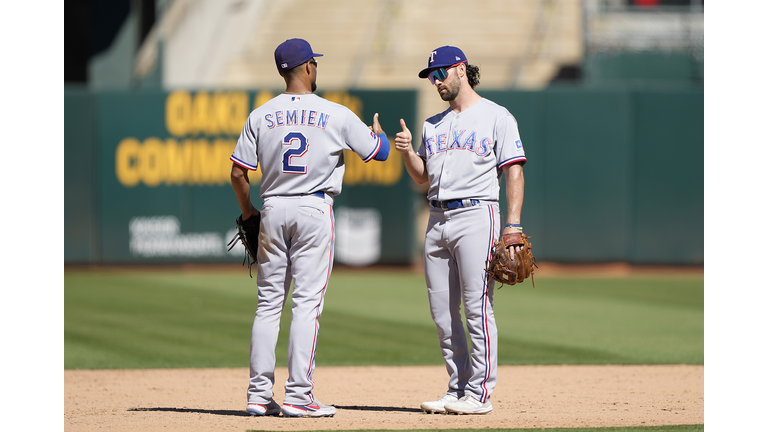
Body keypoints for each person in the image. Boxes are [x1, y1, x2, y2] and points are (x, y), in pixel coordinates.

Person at [230, 38, 390, 417]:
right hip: (313, 209)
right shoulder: (335, 113)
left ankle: (257, 395)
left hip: (272, 208)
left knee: (268, 305)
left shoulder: (260, 115)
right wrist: (379, 134)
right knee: (305, 305)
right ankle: (299, 396)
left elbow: (238, 173)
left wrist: (249, 212)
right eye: (313, 63)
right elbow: (378, 152)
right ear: (306, 68)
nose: (315, 68)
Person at [393, 46, 526, 415]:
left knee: (476, 307)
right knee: (441, 312)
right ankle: (456, 387)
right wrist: (407, 152)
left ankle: (480, 393)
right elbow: (423, 178)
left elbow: (514, 170)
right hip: (436, 218)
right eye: (430, 76)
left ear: (461, 70)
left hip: (476, 215)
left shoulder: (496, 116)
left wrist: (512, 226)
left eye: (439, 73)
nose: (435, 81)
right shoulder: (431, 124)